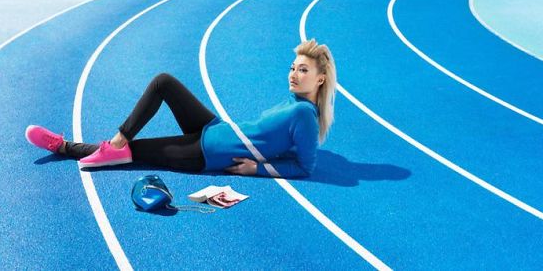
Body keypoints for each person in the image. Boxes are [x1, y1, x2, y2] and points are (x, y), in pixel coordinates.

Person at [25, 39, 336, 178]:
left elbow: (305, 168)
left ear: (321, 79)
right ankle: (116, 140)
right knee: (163, 82)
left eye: (303, 71)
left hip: (205, 155)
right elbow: (279, 143)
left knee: (133, 152)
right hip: (214, 129)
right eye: (293, 67)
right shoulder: (295, 102)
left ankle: (63, 147)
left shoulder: (304, 114)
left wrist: (259, 169)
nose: (294, 75)